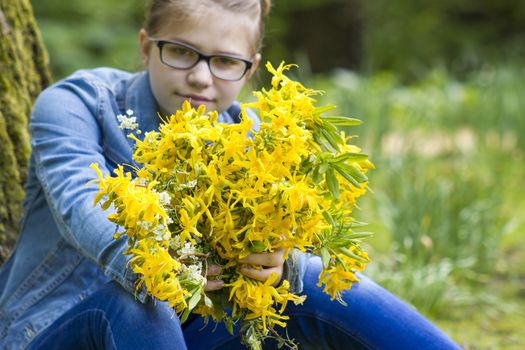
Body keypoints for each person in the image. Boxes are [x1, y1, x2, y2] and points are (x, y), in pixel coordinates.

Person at [0, 1, 461, 349]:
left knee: (312, 277)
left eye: (224, 61)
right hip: (57, 331)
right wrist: (168, 266)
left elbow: (272, 252)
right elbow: (79, 202)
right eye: (181, 52)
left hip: (183, 332)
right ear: (146, 46)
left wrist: (278, 261)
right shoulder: (78, 104)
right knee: (143, 297)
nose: (201, 78)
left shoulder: (252, 135)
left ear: (250, 69)